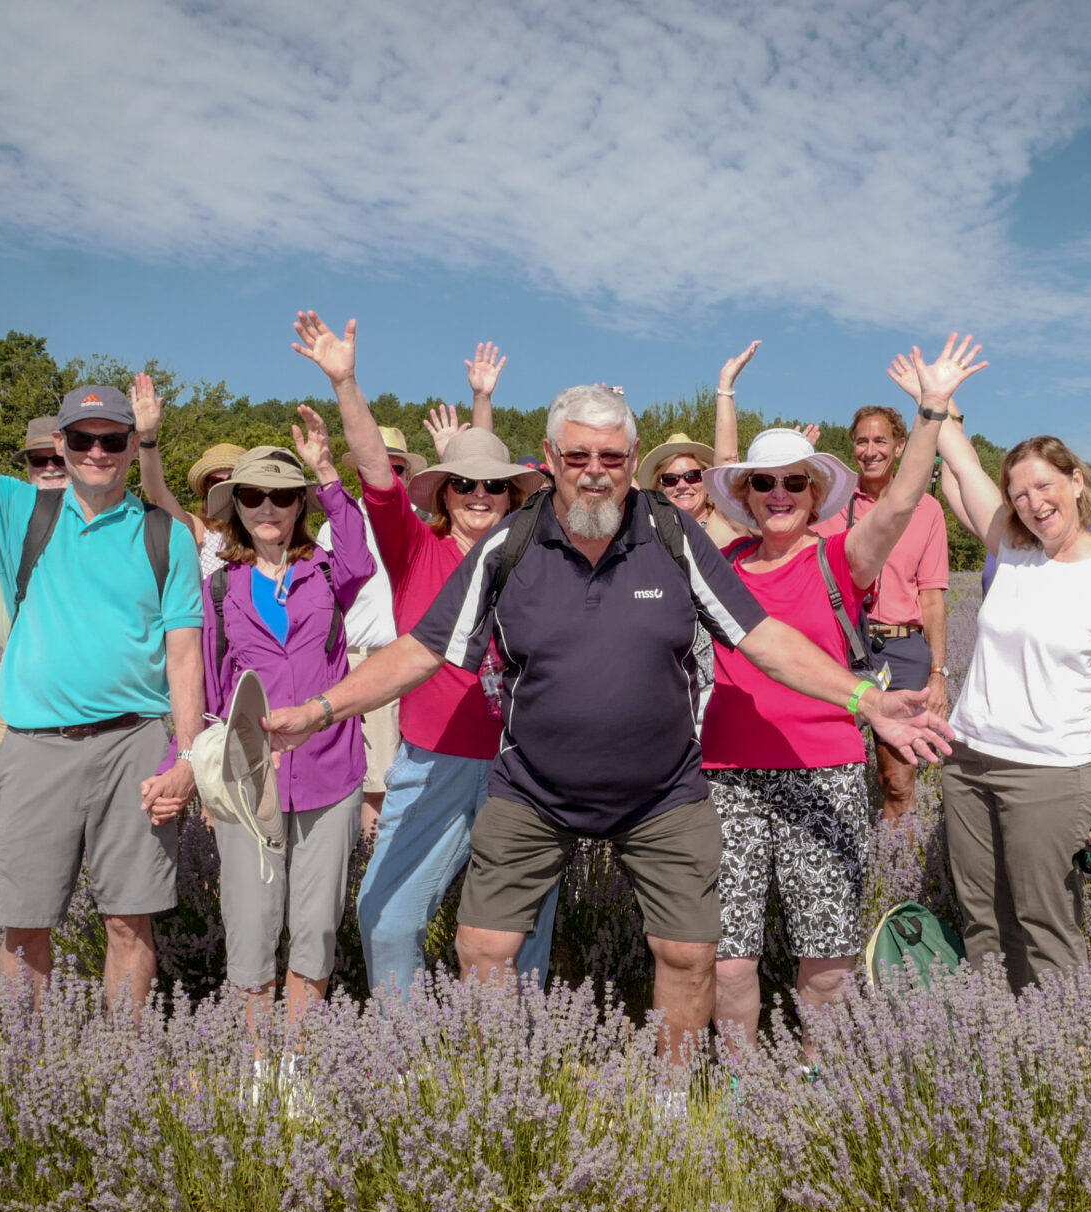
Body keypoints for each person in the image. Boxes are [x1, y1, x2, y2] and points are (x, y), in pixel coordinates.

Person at [264, 381, 954, 1066]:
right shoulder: (512, 541)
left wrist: (863, 698)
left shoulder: (671, 532)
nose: (596, 472)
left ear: (631, 458)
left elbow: (763, 636)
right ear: (550, 457)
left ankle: (672, 1095)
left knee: (688, 952)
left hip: (661, 791)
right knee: (482, 945)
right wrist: (323, 709)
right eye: (578, 456)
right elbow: (420, 648)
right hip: (533, 788)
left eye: (613, 457)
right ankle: (497, 1089)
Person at [0, 245, 202, 1015]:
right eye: (82, 438)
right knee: (24, 924)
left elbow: (185, 654)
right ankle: (24, 1072)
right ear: (59, 445)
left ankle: (120, 1073)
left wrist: (190, 758)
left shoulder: (168, 535)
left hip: (135, 742)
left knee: (131, 921)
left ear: (134, 446)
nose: (97, 451)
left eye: (113, 438)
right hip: (34, 744)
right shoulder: (20, 510)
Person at [695, 335, 975, 1047]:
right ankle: (740, 1076)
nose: (779, 493)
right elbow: (721, 474)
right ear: (747, 497)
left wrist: (933, 412)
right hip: (727, 776)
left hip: (824, 771)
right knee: (730, 952)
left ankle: (819, 1069)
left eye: (795, 481)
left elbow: (903, 499)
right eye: (764, 483)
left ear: (817, 492)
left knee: (825, 951)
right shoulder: (722, 561)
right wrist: (724, 394)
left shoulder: (838, 557)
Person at [286, 313, 561, 996]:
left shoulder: (537, 562)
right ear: (443, 492)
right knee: (384, 917)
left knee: (520, 934)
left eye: (493, 485)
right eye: (463, 484)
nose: (477, 494)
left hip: (522, 769)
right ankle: (403, 1065)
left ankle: (518, 1063)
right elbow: (377, 474)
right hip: (430, 762)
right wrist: (347, 382)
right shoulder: (416, 552)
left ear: (511, 497)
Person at [928, 376, 1091, 993]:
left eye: (1045, 485)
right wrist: (937, 400)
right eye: (1019, 492)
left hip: (1050, 773)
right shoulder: (1011, 548)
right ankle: (996, 1049)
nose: (1033, 502)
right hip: (969, 761)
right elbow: (962, 463)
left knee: (1045, 926)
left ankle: (1061, 1065)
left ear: (1077, 481)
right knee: (982, 923)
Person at [199, 440, 374, 1028]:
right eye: (252, 495)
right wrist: (207, 780)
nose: (267, 507)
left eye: (281, 496)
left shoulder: (327, 571)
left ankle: (297, 1068)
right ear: (236, 507)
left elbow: (361, 554)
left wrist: (326, 471)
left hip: (330, 770)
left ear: (300, 505)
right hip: (249, 781)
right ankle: (255, 1072)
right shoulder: (221, 588)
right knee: (250, 924)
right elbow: (210, 691)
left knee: (317, 926)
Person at [813, 390, 953, 825]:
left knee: (897, 777)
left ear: (899, 447)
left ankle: (896, 874)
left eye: (880, 441)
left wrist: (938, 673)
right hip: (840, 647)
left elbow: (931, 597)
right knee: (827, 770)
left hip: (901, 649)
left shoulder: (926, 510)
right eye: (861, 441)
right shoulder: (831, 503)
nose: (869, 451)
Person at [316, 421, 422, 843]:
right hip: (363, 658)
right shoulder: (339, 524)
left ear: (407, 476)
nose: (388, 477)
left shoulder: (422, 523)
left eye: (397, 469)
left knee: (411, 775)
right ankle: (372, 866)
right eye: (378, 467)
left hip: (416, 662)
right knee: (376, 782)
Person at [0, 410, 67, 803]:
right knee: (11, 811)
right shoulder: (4, 510)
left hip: (95, 693)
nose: (49, 467)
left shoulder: (109, 516)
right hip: (18, 683)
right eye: (38, 459)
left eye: (58, 457)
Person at [136, 422, 243, 578]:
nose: (225, 487)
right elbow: (157, 494)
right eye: (216, 481)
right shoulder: (199, 530)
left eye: (233, 480)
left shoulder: (268, 526)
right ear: (207, 486)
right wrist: (147, 439)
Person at [637, 431, 744, 548]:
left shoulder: (728, 525)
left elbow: (728, 460)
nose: (682, 485)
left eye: (692, 476)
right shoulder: (653, 536)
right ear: (659, 487)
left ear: (707, 482)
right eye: (671, 479)